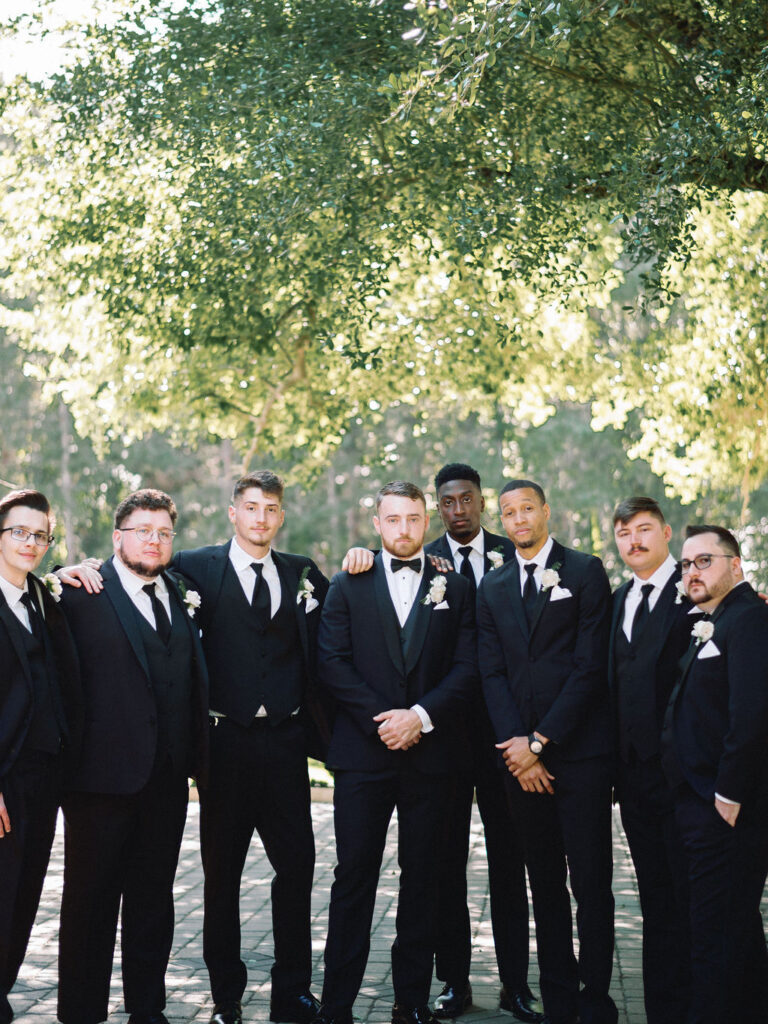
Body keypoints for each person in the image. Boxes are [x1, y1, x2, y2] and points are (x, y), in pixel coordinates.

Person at [340, 464, 537, 1020]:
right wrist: (361, 555)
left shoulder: (510, 553)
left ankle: (516, 983)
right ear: (435, 513)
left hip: (501, 738)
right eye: (447, 502)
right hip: (436, 743)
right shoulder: (416, 559)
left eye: (467, 499)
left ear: (482, 502)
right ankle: (453, 980)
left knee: (508, 859)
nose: (458, 510)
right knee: (441, 866)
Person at [313, 481, 477, 1024]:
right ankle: (337, 1003)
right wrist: (384, 719)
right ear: (378, 524)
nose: (404, 529)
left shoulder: (453, 586)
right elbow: (332, 660)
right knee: (353, 877)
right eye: (393, 519)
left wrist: (420, 717)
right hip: (364, 755)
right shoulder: (348, 582)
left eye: (413, 519)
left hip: (432, 756)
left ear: (424, 522)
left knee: (423, 877)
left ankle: (410, 1001)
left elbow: (466, 663)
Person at [172, 471, 330, 1024]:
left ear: (280, 517)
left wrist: (364, 558)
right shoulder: (193, 565)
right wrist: (77, 570)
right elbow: (132, 576)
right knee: (221, 875)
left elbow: (351, 614)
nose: (262, 518)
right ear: (233, 512)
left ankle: (293, 990)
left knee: (298, 868)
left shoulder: (302, 572)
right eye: (252, 507)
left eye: (271, 509)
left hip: (286, 744)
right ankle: (226, 998)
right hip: (224, 745)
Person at [56, 488, 209, 1024]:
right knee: (89, 906)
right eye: (143, 530)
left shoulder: (183, 592)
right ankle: (81, 1013)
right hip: (99, 784)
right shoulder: (78, 593)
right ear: (117, 536)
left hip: (166, 782)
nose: (154, 539)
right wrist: (57, 574)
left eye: (164, 531)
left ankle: (148, 1009)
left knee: (152, 904)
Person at [477, 480, 616, 1024]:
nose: (518, 519)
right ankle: (558, 996)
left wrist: (540, 742)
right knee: (545, 886)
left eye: (526, 509)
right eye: (508, 512)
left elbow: (589, 668)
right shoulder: (493, 585)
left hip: (578, 757)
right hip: (520, 765)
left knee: (591, 883)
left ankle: (597, 996)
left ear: (545, 511)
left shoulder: (585, 571)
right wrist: (518, 749)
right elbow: (491, 671)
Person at [661, 525, 768, 1024]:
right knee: (736, 930)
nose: (692, 572)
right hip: (698, 802)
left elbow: (751, 715)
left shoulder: (748, 620)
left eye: (704, 561)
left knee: (713, 935)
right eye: (686, 565)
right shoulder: (711, 619)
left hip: (724, 807)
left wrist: (727, 794)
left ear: (736, 564)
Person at [0, 489, 82, 1024]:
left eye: (40, 535)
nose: (31, 543)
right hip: (3, 782)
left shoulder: (43, 598)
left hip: (44, 777)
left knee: (25, 895)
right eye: (20, 532)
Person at [609, 497, 692, 1024]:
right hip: (635, 782)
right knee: (655, 900)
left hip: (687, 782)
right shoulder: (619, 599)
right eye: (623, 533)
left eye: (643, 530)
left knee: (693, 901)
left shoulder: (696, 594)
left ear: (665, 534)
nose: (634, 541)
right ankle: (663, 1009)